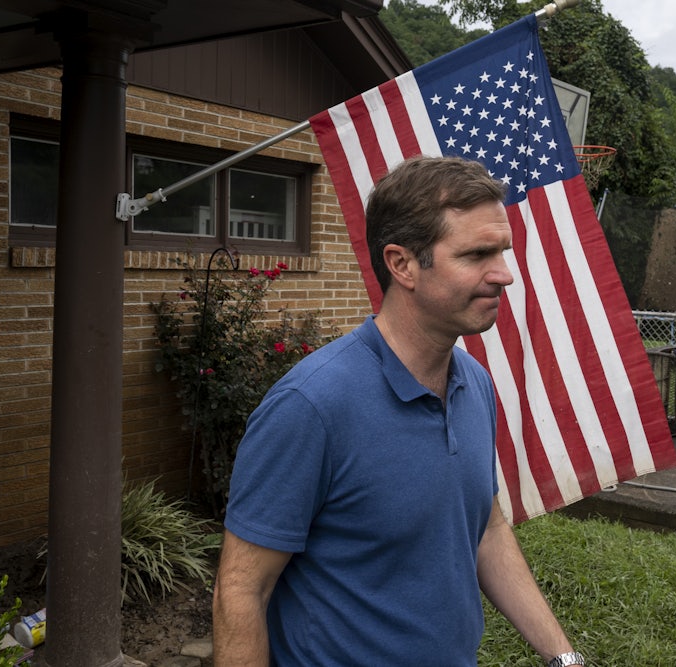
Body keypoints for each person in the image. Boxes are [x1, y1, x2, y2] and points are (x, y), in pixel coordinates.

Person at [213, 155, 583, 667]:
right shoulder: (311, 407)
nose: (505, 275)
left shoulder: (474, 384)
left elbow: (485, 528)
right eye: (477, 254)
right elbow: (241, 591)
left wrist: (565, 659)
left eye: (503, 251)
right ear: (402, 264)